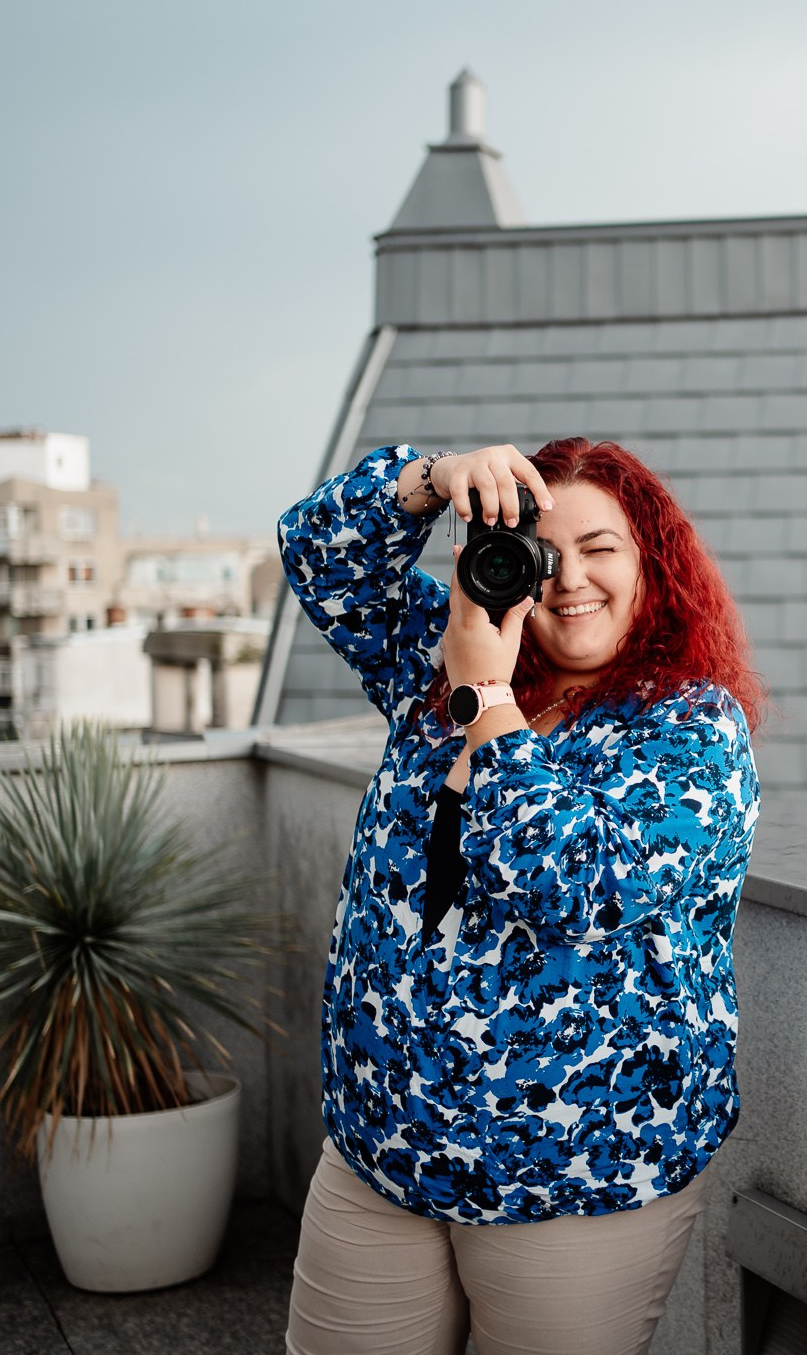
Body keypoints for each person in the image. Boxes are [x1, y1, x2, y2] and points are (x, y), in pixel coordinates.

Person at [277, 437, 764, 1355]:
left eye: (602, 548)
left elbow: (575, 883)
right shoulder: (447, 661)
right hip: (384, 1144)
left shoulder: (691, 727)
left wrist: (484, 698)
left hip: (570, 1176)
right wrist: (432, 479)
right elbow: (318, 552)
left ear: (652, 562)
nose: (571, 578)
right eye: (545, 551)